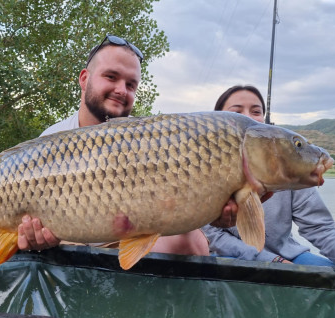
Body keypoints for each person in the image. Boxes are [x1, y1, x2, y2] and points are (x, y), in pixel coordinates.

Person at [17, 34, 235, 256]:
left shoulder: (151, 140)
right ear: (84, 79)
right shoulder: (52, 140)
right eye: (111, 77)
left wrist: (208, 210)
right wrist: (32, 236)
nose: (122, 90)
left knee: (193, 242)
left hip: (128, 240)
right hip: (71, 246)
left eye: (131, 84)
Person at [203, 85, 335, 267]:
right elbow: (212, 234)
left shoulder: (290, 173)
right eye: (237, 111)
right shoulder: (204, 165)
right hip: (233, 256)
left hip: (290, 255)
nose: (248, 116)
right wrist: (271, 261)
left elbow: (322, 229)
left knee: (334, 275)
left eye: (256, 111)